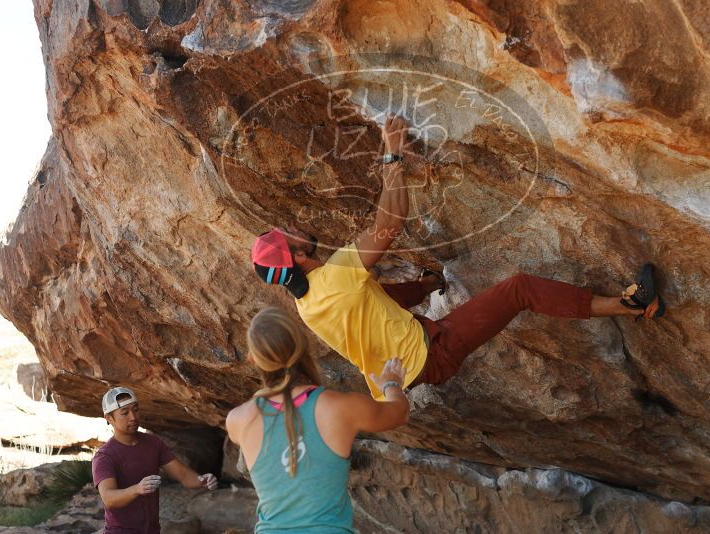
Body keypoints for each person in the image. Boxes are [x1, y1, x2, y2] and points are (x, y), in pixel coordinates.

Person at [250, 115, 665, 398]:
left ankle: (630, 306)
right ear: (297, 254)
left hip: (413, 369)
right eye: (287, 236)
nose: (293, 228)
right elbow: (391, 221)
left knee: (390, 293)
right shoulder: (336, 273)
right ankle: (631, 305)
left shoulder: (309, 305)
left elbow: (381, 303)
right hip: (433, 352)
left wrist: (430, 284)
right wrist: (391, 155)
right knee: (519, 288)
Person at [226, 307, 409, 533]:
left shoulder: (238, 421)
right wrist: (391, 384)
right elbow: (399, 413)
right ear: (303, 345)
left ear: (253, 359)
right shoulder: (339, 408)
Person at [92, 387, 218, 534]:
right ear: (109, 418)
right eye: (125, 413)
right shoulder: (105, 456)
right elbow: (109, 498)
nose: (133, 417)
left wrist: (202, 480)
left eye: (136, 409)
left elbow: (182, 473)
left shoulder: (153, 443)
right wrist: (137, 489)